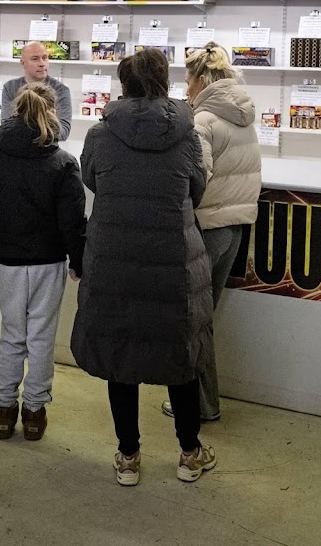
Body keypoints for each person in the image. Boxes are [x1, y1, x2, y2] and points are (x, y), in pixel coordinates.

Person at [71, 48, 214, 487]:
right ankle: (190, 453)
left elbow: (90, 178)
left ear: (122, 81)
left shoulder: (99, 134)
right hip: (172, 257)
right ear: (163, 81)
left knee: (120, 355)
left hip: (114, 255)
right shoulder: (188, 135)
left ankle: (128, 455)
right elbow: (197, 191)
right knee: (180, 353)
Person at [0, 81, 86, 442]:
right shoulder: (63, 162)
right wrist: (78, 260)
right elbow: (72, 220)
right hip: (48, 261)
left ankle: (3, 409)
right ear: (51, 113)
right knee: (40, 337)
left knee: (11, 335)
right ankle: (34, 411)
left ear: (15, 111)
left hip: (8, 260)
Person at [160, 42, 261, 422]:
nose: (185, 88)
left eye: (187, 80)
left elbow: (196, 178)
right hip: (234, 227)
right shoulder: (242, 112)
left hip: (206, 226)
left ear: (201, 79)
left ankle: (198, 406)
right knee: (203, 320)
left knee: (190, 321)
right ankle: (207, 402)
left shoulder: (203, 120)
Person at [0, 41, 73, 141]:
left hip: (47, 148)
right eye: (35, 59)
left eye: (45, 58)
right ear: (23, 63)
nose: (42, 64)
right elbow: (6, 127)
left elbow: (63, 132)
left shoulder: (61, 90)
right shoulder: (10, 87)